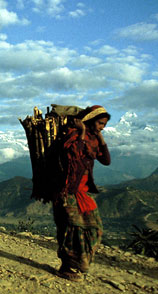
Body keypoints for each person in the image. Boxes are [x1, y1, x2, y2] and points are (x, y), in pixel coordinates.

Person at [51, 105, 111, 281]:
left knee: (95, 229)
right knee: (71, 231)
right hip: (67, 192)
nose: (102, 127)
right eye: (100, 124)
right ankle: (69, 267)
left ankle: (80, 264)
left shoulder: (93, 139)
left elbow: (106, 160)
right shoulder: (73, 135)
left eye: (104, 125)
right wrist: (83, 132)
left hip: (83, 193)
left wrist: (100, 136)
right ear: (90, 121)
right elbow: (74, 156)